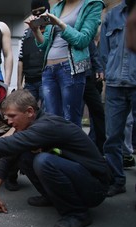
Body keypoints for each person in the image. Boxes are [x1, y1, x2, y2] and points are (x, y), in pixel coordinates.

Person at [0, 90, 112, 227]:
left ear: (30, 112)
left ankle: (77, 213)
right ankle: (51, 196)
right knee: (24, 156)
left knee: (44, 161)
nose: (8, 122)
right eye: (6, 117)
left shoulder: (46, 126)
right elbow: (9, 154)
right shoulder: (31, 125)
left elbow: (6, 143)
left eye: (12, 116)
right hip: (79, 177)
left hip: (95, 187)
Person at [26, 0, 105, 127]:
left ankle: (70, 147)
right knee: (51, 118)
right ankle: (55, 147)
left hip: (71, 68)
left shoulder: (92, 4)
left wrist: (59, 23)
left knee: (71, 118)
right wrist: (35, 30)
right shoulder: (57, 7)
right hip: (48, 69)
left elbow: (83, 40)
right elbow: (45, 44)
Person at [100, 0, 136, 197]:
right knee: (112, 137)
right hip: (114, 85)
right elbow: (104, 51)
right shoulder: (112, 15)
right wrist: (106, 72)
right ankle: (117, 180)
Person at [17, 0, 50, 104]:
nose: (37, 15)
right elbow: (21, 59)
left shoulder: (52, 30)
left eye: (40, 11)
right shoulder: (27, 33)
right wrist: (19, 84)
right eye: (34, 12)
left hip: (46, 79)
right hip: (29, 81)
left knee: (47, 111)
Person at [83, 40, 105, 154]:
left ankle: (101, 148)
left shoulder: (85, 30)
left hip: (87, 76)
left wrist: (99, 68)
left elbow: (92, 49)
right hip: (69, 76)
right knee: (73, 115)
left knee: (98, 112)